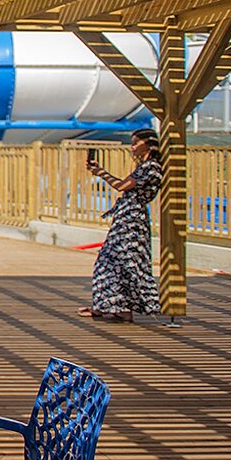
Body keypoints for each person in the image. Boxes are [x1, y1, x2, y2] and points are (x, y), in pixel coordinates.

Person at [79, 128, 163, 323]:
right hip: (128, 218)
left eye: (136, 143)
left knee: (118, 262)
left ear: (148, 143)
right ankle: (111, 307)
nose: (133, 147)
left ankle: (116, 308)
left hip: (131, 222)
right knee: (116, 262)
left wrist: (101, 173)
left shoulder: (151, 167)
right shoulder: (147, 166)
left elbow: (122, 186)